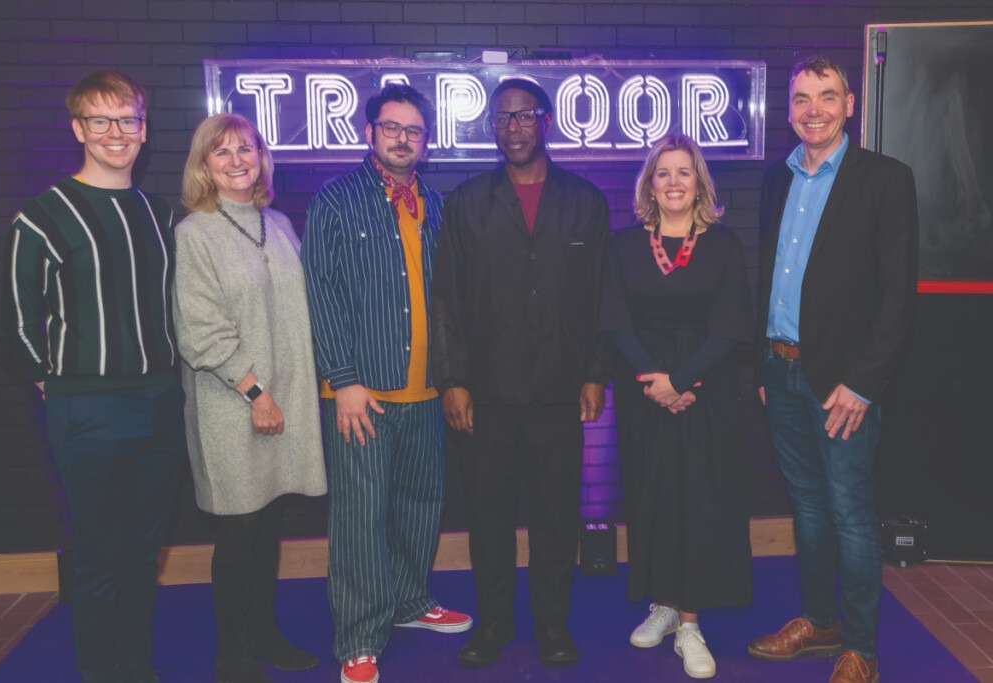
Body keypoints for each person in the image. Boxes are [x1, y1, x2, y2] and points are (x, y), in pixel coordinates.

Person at [0, 69, 184, 683]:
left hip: (160, 404)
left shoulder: (160, 214)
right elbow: (19, 322)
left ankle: (139, 669)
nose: (115, 132)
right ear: (78, 128)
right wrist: (57, 384)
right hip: (89, 410)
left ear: (143, 128)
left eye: (127, 119)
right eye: (99, 120)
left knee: (141, 555)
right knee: (102, 558)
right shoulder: (43, 214)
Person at [748, 56, 918, 683]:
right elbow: (769, 276)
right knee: (808, 508)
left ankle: (862, 649)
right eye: (801, 98)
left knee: (849, 511)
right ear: (789, 109)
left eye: (826, 96)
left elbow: (899, 295)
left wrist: (866, 383)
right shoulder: (777, 179)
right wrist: (764, 366)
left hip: (845, 386)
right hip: (782, 372)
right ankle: (819, 623)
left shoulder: (885, 179)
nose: (813, 109)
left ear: (851, 104)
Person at [431, 78, 610, 667]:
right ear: (492, 127)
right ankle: (496, 625)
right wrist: (452, 379)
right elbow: (448, 299)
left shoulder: (585, 200)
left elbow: (598, 296)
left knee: (558, 521)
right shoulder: (466, 203)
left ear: (547, 120)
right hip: (486, 394)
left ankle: (553, 628)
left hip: (560, 392)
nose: (514, 127)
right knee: (489, 523)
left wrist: (594, 372)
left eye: (525, 115)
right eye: (503, 118)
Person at [301, 84, 472, 683]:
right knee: (359, 518)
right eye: (392, 127)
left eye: (415, 130)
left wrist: (454, 377)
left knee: (419, 506)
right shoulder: (336, 200)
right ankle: (359, 638)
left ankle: (409, 601)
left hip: (425, 392)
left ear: (426, 141)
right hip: (360, 395)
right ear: (369, 132)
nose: (404, 138)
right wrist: (343, 380)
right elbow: (319, 293)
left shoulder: (438, 203)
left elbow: (452, 298)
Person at [172, 113, 327, 683]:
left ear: (262, 158)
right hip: (233, 407)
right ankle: (232, 652)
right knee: (237, 533)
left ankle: (265, 633)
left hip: (285, 405)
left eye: (247, 149)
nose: (238, 160)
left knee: (267, 529)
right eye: (222, 153)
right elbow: (200, 331)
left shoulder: (279, 223)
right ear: (203, 167)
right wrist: (256, 393)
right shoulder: (195, 234)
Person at [600, 134, 754, 679]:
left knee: (700, 501)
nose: (673, 182)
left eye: (683, 173)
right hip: (646, 395)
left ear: (699, 183)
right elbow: (614, 320)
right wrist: (656, 382)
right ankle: (663, 603)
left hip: (706, 392)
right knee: (653, 496)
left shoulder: (724, 245)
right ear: (649, 184)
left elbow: (733, 323)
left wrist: (683, 379)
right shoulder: (622, 246)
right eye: (662, 173)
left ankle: (690, 622)